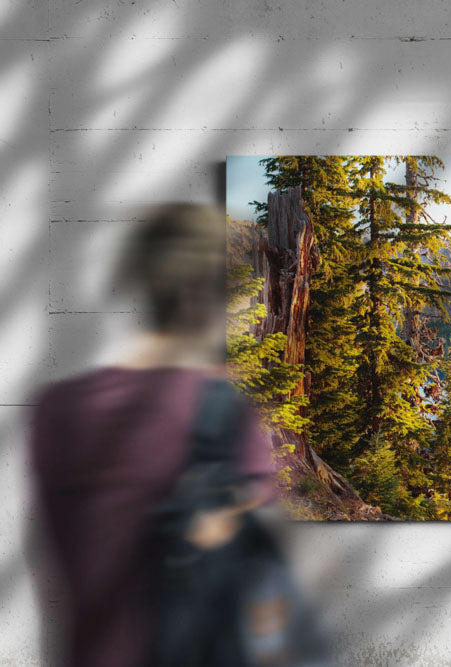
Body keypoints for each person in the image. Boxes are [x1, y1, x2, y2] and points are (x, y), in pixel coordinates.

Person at [29, 204, 275, 667]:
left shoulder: (55, 410)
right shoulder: (221, 413)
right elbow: (258, 589)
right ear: (206, 295)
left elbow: (57, 576)